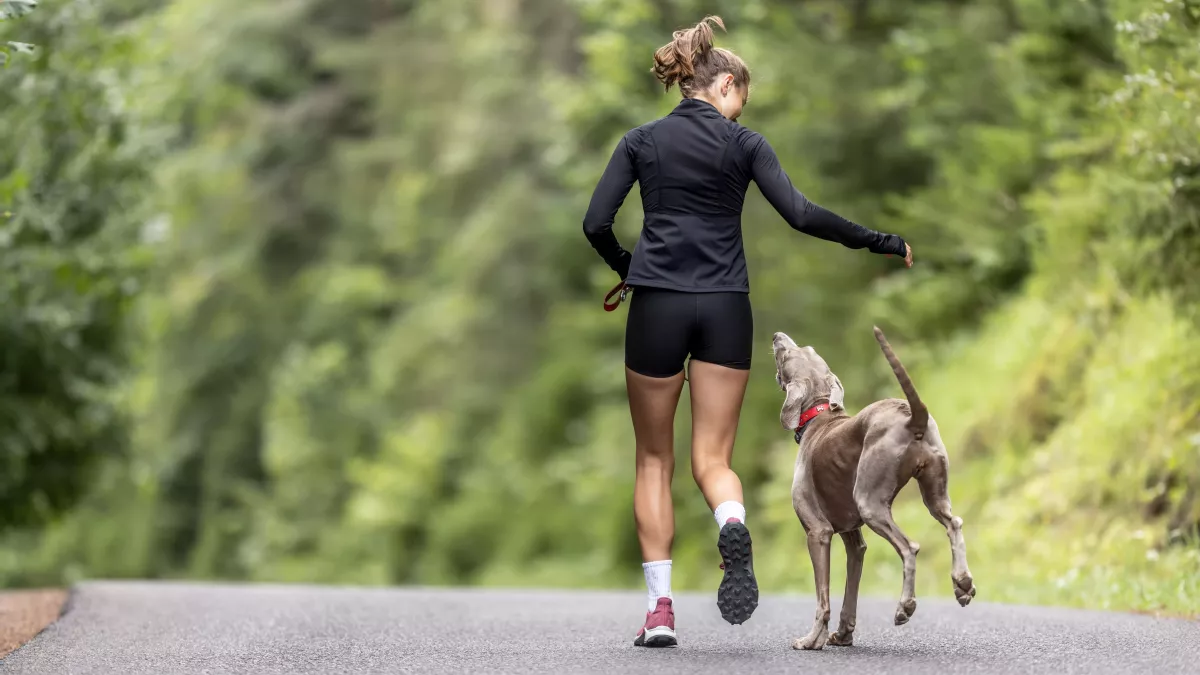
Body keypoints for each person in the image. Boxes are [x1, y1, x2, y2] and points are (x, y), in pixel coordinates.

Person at [582, 15, 914, 648]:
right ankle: (731, 519)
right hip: (726, 308)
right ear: (726, 83)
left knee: (654, 459)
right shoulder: (746, 145)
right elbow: (802, 214)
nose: (740, 113)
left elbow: (597, 223)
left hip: (657, 306)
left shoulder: (640, 141)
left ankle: (659, 613)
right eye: (741, 101)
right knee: (714, 460)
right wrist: (880, 241)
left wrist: (634, 271)